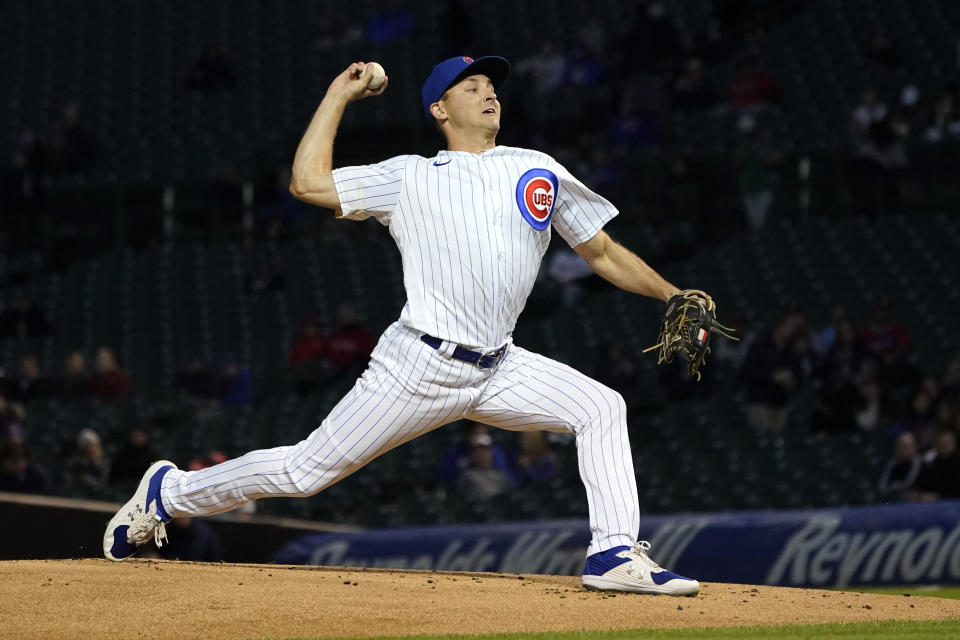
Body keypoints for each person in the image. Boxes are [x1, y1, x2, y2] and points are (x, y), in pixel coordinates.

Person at [104, 56, 710, 596]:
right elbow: (307, 183)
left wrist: (671, 292)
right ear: (440, 109)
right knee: (303, 472)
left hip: (500, 365)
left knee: (601, 408)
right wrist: (339, 94)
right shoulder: (410, 175)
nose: (487, 92)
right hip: (418, 366)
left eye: (490, 84)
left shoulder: (537, 168)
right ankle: (168, 493)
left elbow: (600, 251)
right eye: (470, 86)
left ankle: (613, 554)